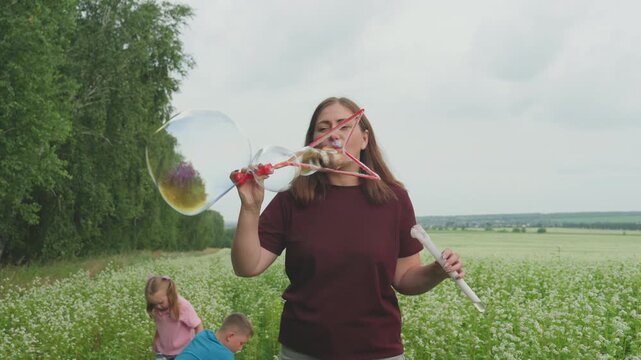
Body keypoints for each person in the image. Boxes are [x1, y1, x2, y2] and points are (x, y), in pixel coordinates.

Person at [231, 97, 466, 360]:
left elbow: (404, 277)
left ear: (365, 139)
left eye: (344, 126)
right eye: (324, 128)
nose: (334, 134)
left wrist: (437, 271)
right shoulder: (293, 196)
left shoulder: (394, 199)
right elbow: (247, 266)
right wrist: (250, 208)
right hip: (303, 351)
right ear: (314, 143)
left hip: (378, 351)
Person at [145, 275, 204, 360]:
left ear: (170, 294)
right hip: (162, 351)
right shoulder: (157, 308)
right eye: (154, 303)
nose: (157, 306)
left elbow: (198, 326)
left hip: (183, 351)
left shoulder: (182, 306)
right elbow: (160, 326)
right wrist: (155, 339)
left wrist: (198, 346)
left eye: (161, 302)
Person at [177, 312, 254, 359]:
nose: (240, 348)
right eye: (241, 343)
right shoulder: (225, 356)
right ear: (230, 336)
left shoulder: (203, 335)